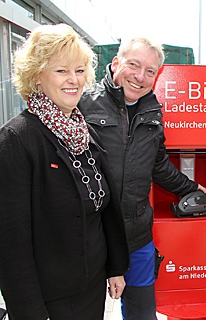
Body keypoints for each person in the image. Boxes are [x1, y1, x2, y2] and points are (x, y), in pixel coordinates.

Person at [0, 24, 129, 320]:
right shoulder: (17, 140)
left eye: (80, 70)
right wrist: (29, 312)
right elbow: (11, 243)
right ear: (36, 77)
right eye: (61, 71)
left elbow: (103, 211)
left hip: (93, 288)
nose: (74, 80)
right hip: (50, 302)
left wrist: (114, 268)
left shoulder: (83, 131)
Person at [78, 37, 206, 320]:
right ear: (116, 64)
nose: (140, 76)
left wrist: (190, 188)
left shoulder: (152, 111)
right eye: (133, 65)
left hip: (136, 237)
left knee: (142, 314)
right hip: (91, 236)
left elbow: (158, 164)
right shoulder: (82, 105)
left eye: (150, 71)